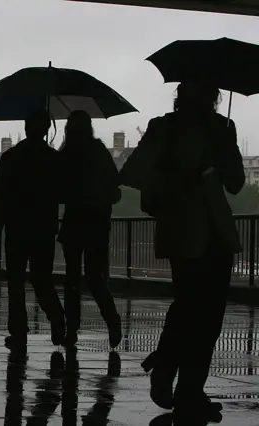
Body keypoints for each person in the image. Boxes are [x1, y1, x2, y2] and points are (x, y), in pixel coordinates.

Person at [120, 81, 245, 421]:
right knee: (208, 318)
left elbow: (132, 174)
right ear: (213, 97)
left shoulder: (164, 127)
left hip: (179, 229)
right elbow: (235, 183)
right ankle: (188, 389)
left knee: (188, 306)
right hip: (215, 231)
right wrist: (197, 173)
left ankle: (169, 367)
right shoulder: (222, 127)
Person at [0, 108, 66, 349]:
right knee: (41, 279)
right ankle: (56, 316)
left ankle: (19, 330)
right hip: (43, 227)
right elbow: (62, 193)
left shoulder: (11, 157)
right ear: (46, 130)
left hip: (16, 227)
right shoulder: (53, 159)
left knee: (15, 281)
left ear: (25, 127)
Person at [58, 110, 122, 349]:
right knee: (96, 278)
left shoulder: (67, 154)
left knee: (71, 279)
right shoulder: (100, 152)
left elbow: (59, 190)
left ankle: (71, 329)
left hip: (74, 222)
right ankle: (112, 321)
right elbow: (115, 189)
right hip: (96, 223)